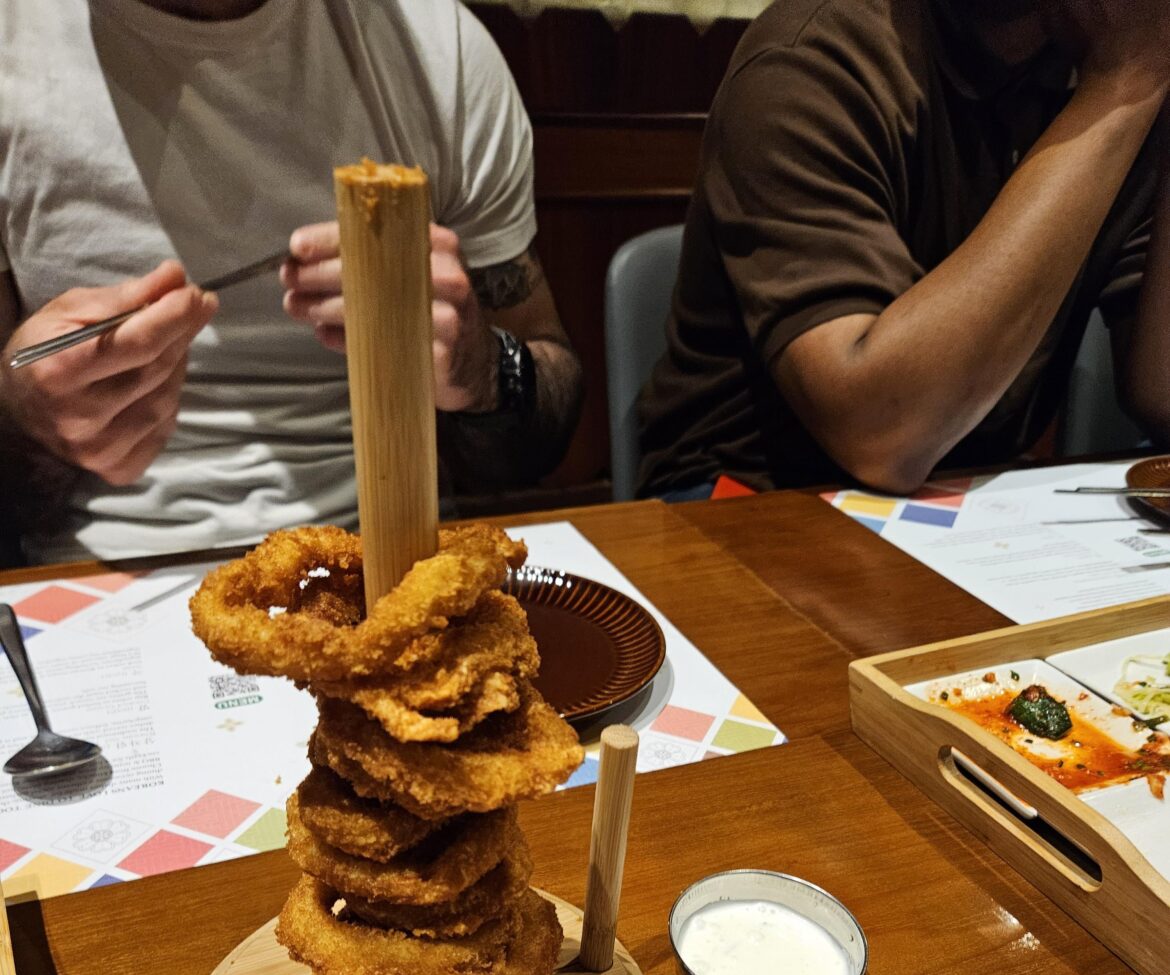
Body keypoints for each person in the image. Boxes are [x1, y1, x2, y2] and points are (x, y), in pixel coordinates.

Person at [0, 0, 583, 562]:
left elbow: (546, 417)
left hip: (391, 562)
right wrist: (24, 420)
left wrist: (482, 371)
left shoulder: (441, 49)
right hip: (89, 583)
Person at [638, 0, 1170, 500]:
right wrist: (1126, 81)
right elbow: (881, 436)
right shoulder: (812, 59)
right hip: (752, 496)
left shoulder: (1110, 62)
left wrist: (1141, 80)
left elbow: (1162, 393)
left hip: (966, 493)